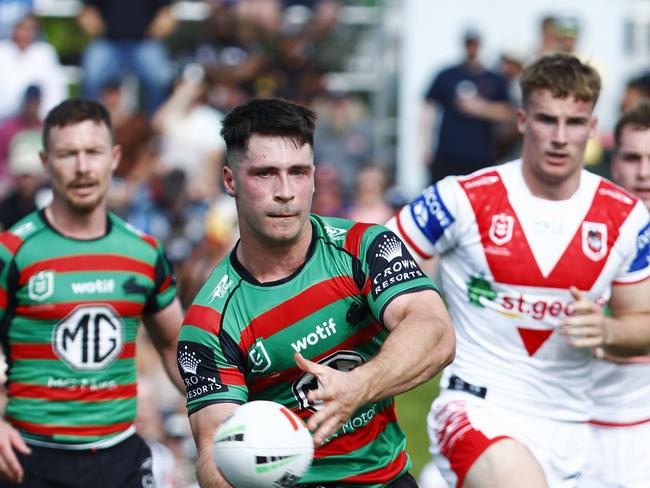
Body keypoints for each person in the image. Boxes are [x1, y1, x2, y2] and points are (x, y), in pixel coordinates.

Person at [386, 53, 650, 487]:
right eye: (548, 119)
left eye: (574, 122)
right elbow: (373, 260)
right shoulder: (464, 198)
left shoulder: (625, 217)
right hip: (476, 407)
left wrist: (608, 332)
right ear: (524, 119)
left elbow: (639, 321)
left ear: (592, 126)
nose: (560, 137)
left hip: (570, 430)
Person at [176, 98, 455, 487]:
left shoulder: (363, 247)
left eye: (298, 172)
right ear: (230, 181)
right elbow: (213, 452)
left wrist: (358, 387)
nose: (285, 191)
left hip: (385, 481)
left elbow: (435, 331)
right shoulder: (210, 321)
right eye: (265, 174)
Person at [0, 98, 185, 487]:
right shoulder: (12, 252)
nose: (83, 167)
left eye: (93, 152)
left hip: (118, 457)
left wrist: (214, 411)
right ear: (46, 161)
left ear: (114, 157)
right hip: (29, 459)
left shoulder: (144, 252)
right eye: (68, 154)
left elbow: (174, 344)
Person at [581, 100, 650, 488]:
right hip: (573, 428)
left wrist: (610, 335)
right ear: (615, 161)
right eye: (633, 158)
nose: (644, 173)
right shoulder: (581, 231)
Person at [419, 28, 512, 184]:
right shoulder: (446, 75)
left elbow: (507, 112)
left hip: (480, 155)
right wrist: (424, 146)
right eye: (469, 43)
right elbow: (428, 110)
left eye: (474, 43)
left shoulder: (494, 79)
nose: (471, 47)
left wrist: (480, 108)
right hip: (447, 153)